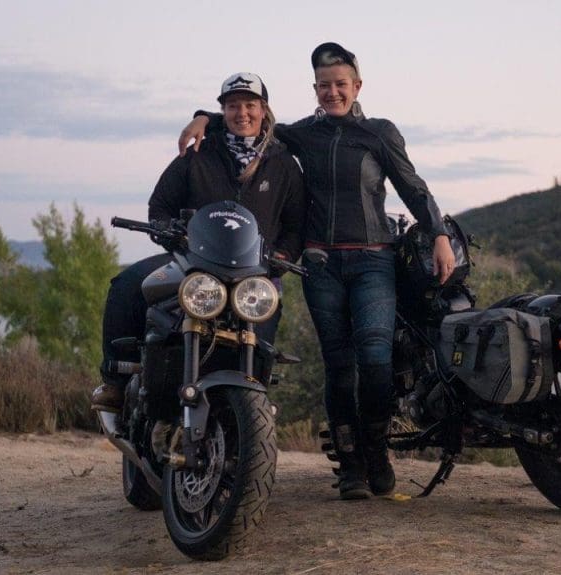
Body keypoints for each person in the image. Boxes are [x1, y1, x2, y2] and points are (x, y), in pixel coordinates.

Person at [179, 42, 456, 500]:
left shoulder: (380, 133)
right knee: (339, 366)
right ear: (315, 89)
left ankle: (376, 452)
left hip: (373, 259)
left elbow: (413, 187)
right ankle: (350, 467)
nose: (333, 93)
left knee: (375, 358)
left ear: (357, 86)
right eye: (324, 86)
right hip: (321, 263)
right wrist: (203, 116)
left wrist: (439, 234)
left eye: (340, 84)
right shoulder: (302, 134)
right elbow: (249, 117)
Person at [91, 72, 306, 412]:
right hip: (193, 264)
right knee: (127, 284)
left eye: (250, 105)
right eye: (233, 106)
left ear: (264, 110)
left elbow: (296, 224)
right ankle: (116, 382)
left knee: (262, 347)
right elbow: (159, 205)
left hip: (256, 275)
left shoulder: (283, 164)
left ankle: (253, 408)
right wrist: (169, 234)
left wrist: (282, 255)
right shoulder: (198, 153)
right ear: (224, 111)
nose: (242, 114)